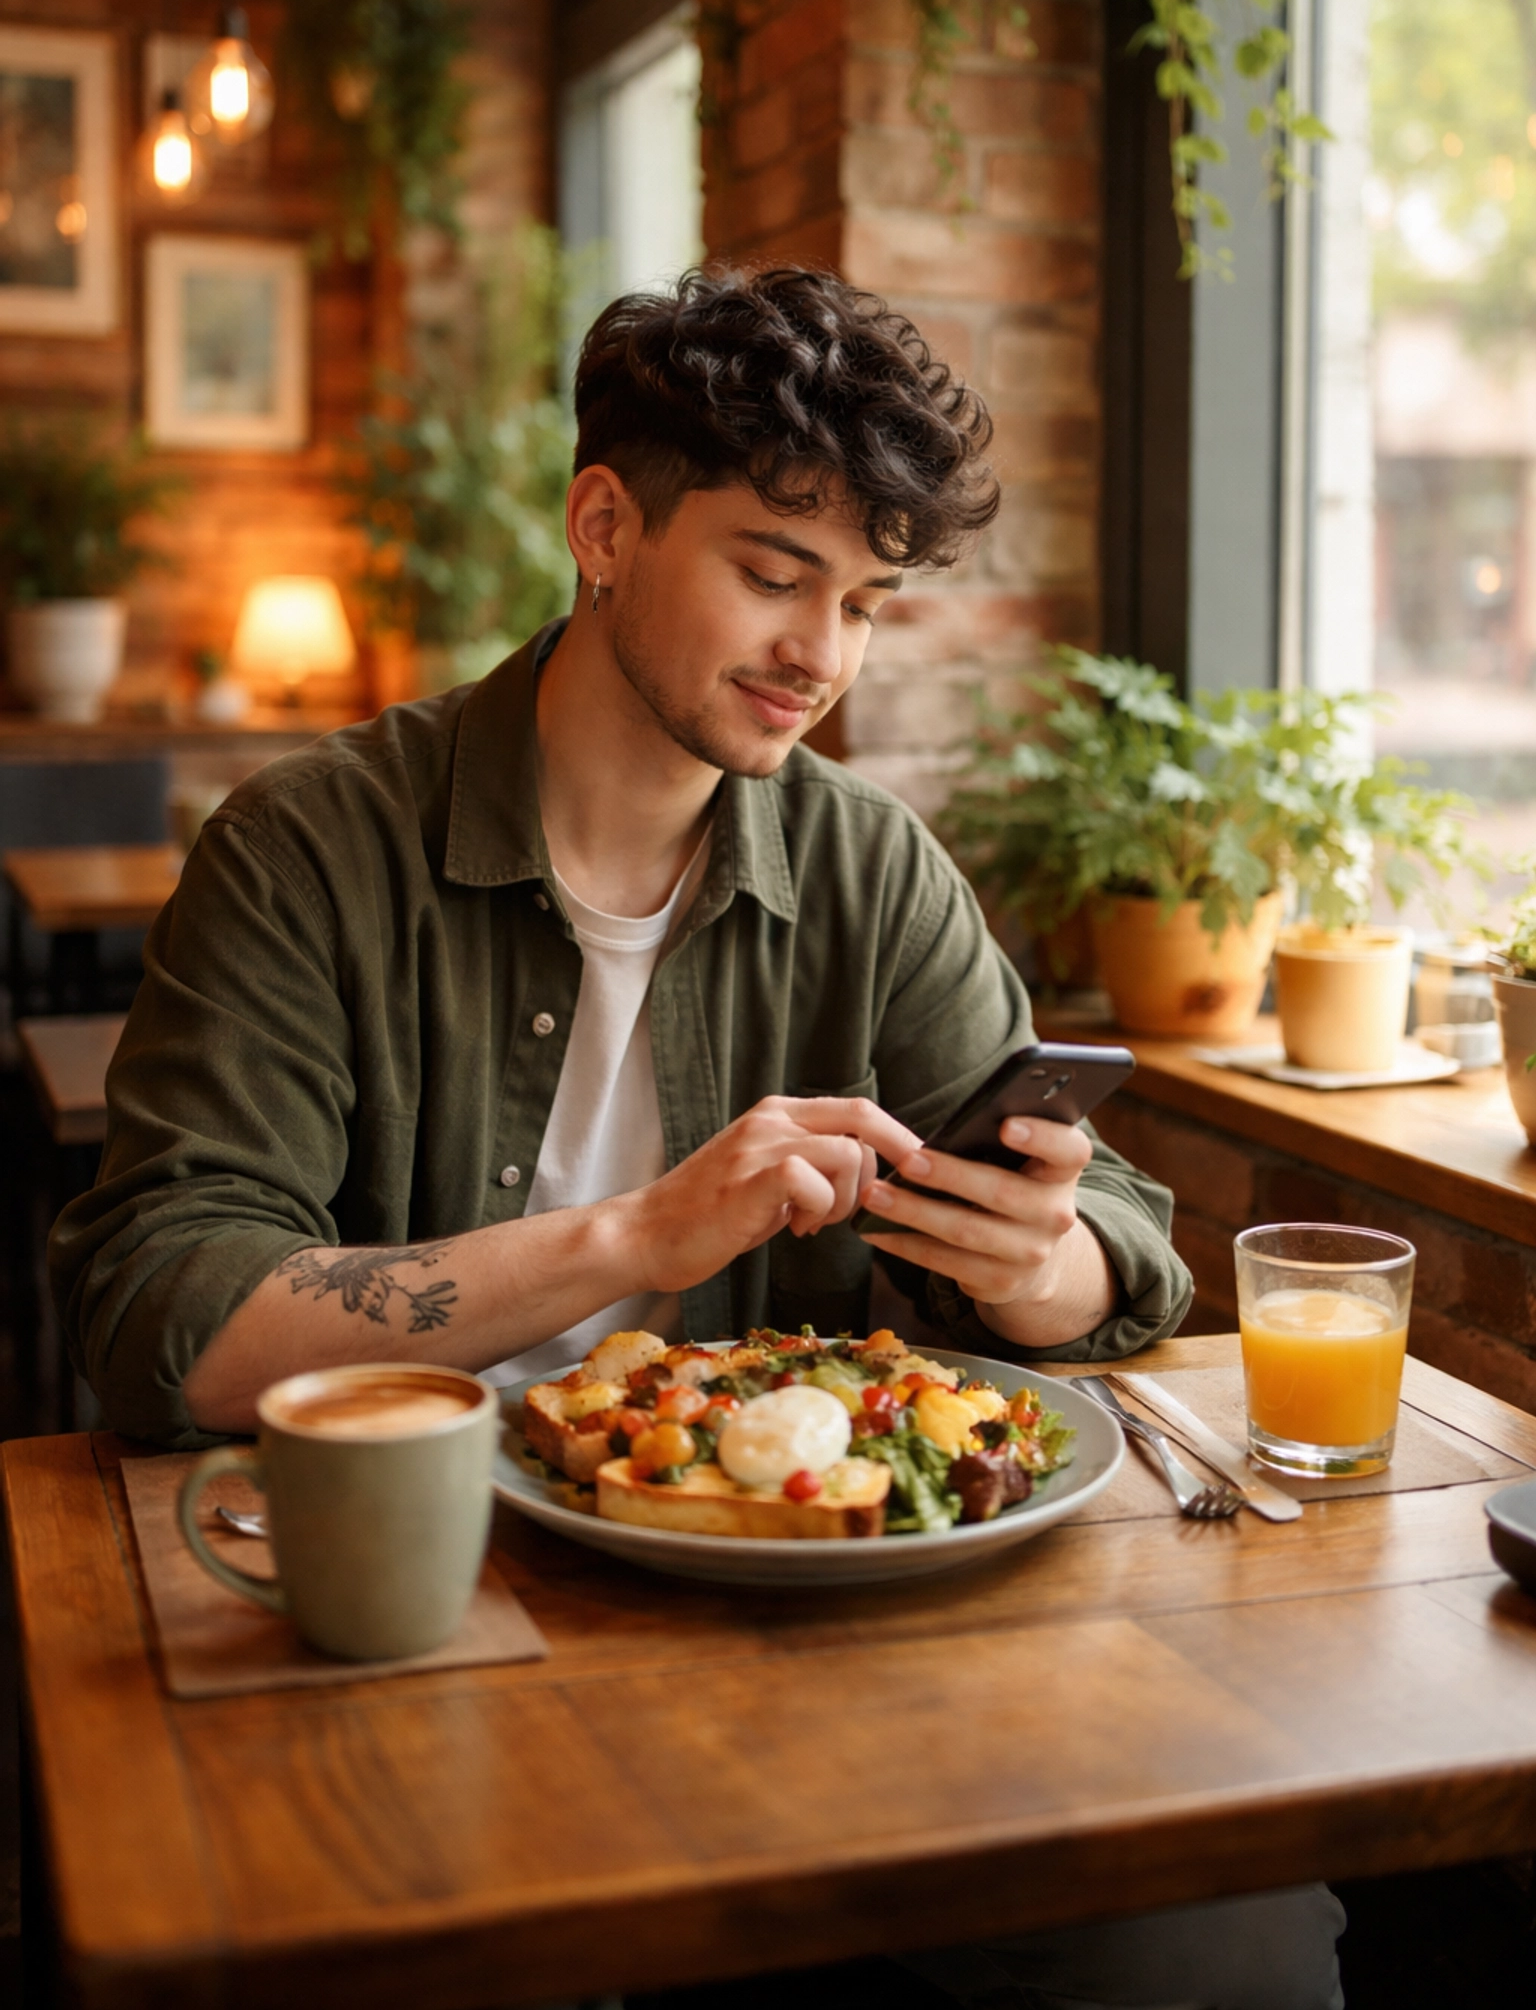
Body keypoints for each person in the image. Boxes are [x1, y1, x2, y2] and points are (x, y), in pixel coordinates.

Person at [50, 267, 1341, 2009]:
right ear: (603, 524)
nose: (823, 657)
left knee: (1240, 1942)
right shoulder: (310, 852)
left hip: (798, 1633)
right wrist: (633, 1242)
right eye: (772, 572)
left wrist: (1040, 1258)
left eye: (867, 604)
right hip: (423, 1619)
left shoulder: (868, 866)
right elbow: (165, 1320)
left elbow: (1126, 1246)